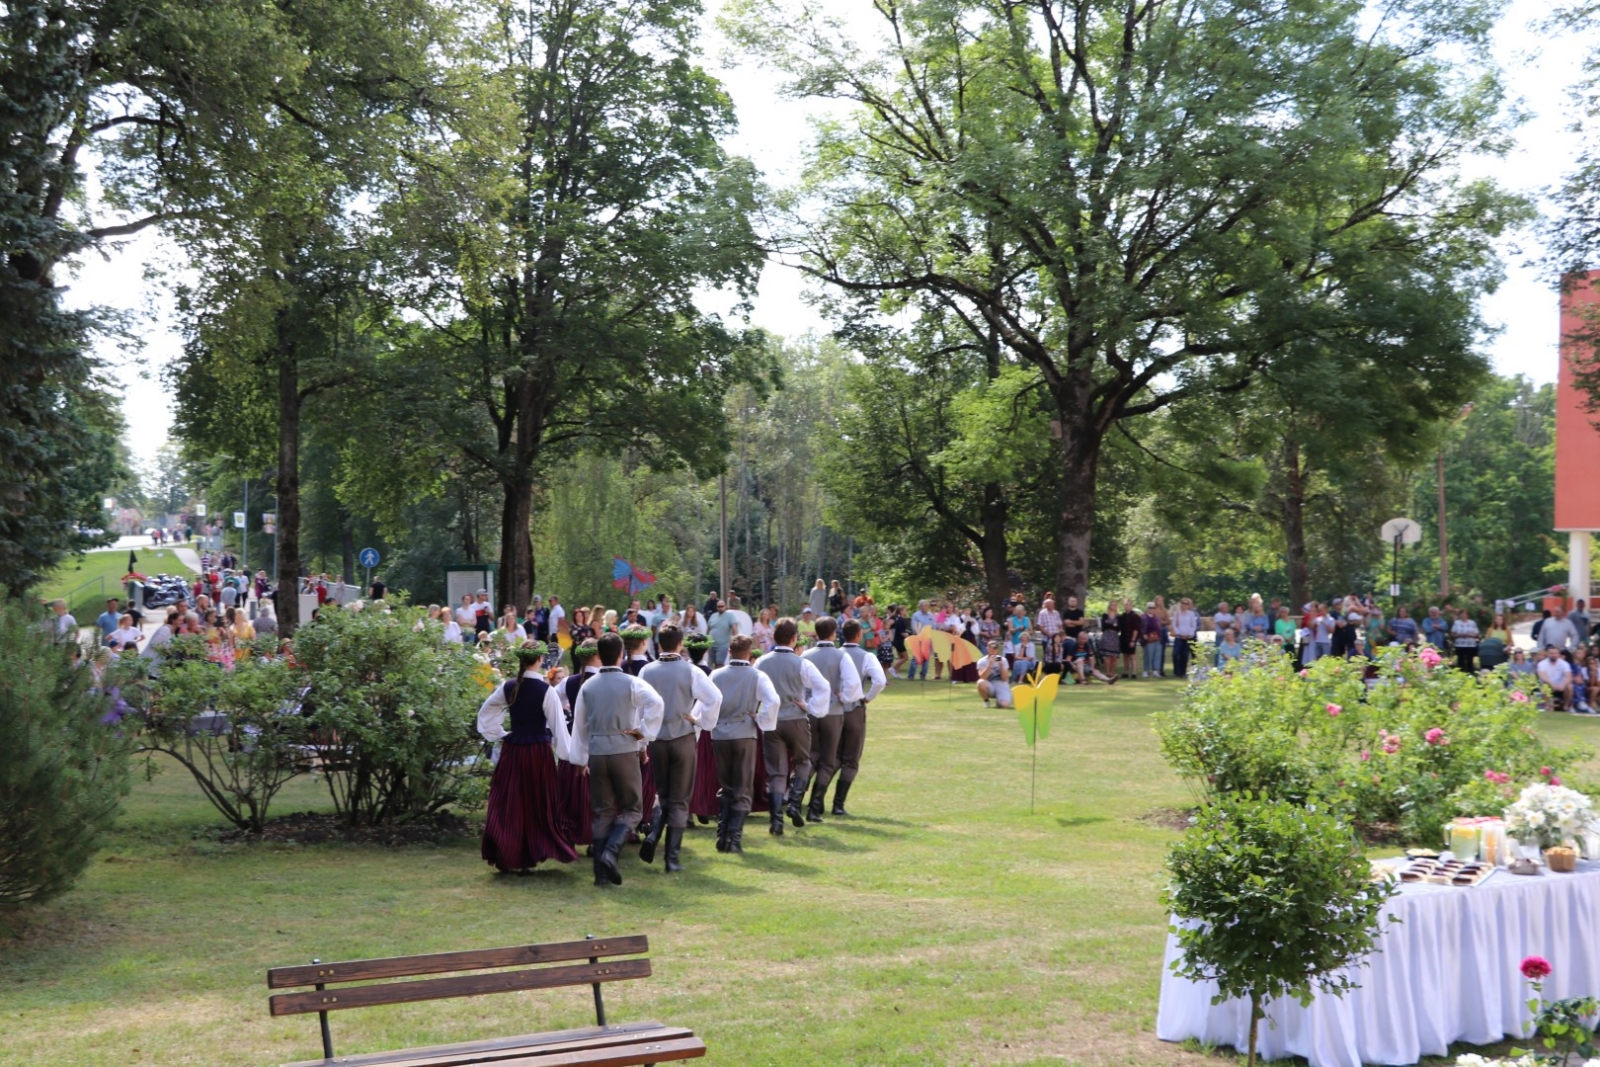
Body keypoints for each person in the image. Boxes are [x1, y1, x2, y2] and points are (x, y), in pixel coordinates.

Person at [570, 633, 665, 886]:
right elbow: (656, 703)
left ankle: (600, 874)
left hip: (598, 753)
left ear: (599, 655)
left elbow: (579, 727)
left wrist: (580, 759)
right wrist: (642, 734)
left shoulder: (587, 686)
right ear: (621, 654)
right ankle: (611, 852)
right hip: (623, 749)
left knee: (602, 812)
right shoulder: (631, 682)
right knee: (633, 808)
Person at [477, 645, 577, 873]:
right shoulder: (545, 691)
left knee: (510, 803)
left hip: (514, 751)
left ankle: (507, 853)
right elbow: (559, 729)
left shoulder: (509, 686)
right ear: (540, 659)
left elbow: (486, 714)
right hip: (537, 755)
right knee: (534, 804)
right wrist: (570, 757)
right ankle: (525, 856)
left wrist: (501, 734)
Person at [637, 624, 723, 872]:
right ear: (680, 644)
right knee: (680, 800)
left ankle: (653, 836)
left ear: (658, 643)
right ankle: (671, 859)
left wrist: (643, 741)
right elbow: (714, 698)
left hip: (657, 740)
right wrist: (703, 722)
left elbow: (639, 709)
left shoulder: (646, 670)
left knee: (663, 794)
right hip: (682, 738)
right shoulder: (690, 670)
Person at [755, 617, 831, 835]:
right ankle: (795, 803)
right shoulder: (802, 662)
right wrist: (811, 707)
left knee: (776, 773)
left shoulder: (762, 661)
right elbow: (823, 687)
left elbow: (755, 686)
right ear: (794, 638)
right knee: (803, 762)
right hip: (796, 718)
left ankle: (776, 822)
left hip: (772, 721)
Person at [709, 635, 779, 853]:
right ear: (750, 654)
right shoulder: (757, 675)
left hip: (719, 734)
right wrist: (761, 719)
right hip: (744, 734)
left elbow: (707, 701)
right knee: (743, 788)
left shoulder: (716, 674)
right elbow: (773, 700)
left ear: (730, 652)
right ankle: (734, 839)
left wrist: (710, 722)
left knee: (726, 785)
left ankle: (722, 834)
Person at [799, 617, 865, 822]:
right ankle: (814, 807)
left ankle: (794, 800)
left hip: (810, 711)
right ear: (834, 633)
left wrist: (805, 702)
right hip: (833, 712)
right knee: (827, 762)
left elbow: (799, 684)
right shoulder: (840, 655)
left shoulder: (805, 655)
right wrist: (843, 698)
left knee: (810, 758)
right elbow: (854, 686)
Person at [831, 618, 885, 816]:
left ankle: (814, 801)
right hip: (854, 709)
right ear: (859, 635)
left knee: (832, 757)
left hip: (832, 709)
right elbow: (880, 681)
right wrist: (867, 698)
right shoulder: (866, 656)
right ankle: (838, 804)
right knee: (851, 759)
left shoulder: (834, 654)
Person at [1536, 645, 1574, 712]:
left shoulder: (1564, 664)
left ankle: (1566, 707)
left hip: (1561, 685)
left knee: (1570, 687)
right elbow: (1542, 676)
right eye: (1551, 653)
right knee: (1545, 686)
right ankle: (1548, 706)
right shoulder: (1542, 664)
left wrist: (1563, 685)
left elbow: (1569, 676)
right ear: (1547, 654)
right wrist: (1551, 684)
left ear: (1559, 654)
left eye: (1555, 653)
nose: (1554, 655)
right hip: (1549, 684)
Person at [1171, 598, 1200, 680]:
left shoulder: (1191, 614)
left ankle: (1183, 672)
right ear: (1181, 604)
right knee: (1175, 654)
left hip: (1188, 637)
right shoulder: (1177, 614)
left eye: (1187, 604)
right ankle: (1177, 672)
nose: (1185, 605)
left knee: (1185, 655)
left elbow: (1193, 625)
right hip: (1179, 637)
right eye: (1183, 603)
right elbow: (1174, 625)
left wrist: (1189, 634)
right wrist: (1179, 633)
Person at [706, 600, 736, 668]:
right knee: (711, 664)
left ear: (725, 607)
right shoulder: (713, 616)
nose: (720, 608)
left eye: (722, 606)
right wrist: (705, 639)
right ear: (716, 607)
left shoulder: (730, 616)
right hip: (711, 644)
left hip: (723, 645)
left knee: (720, 663)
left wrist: (735, 640)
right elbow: (708, 628)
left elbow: (734, 628)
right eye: (718, 606)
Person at [1449, 608, 1480, 672]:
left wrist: (1470, 635)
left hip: (1470, 645)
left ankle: (1470, 674)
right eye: (1462, 614)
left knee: (1470, 661)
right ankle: (1461, 675)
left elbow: (1477, 634)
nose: (1463, 615)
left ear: (1467, 615)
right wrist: (1460, 635)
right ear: (1460, 615)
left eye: (1465, 614)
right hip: (1460, 645)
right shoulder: (1456, 623)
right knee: (1460, 661)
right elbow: (1452, 634)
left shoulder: (1472, 623)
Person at [1118, 599, 1142, 679]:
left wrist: (1133, 640)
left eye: (1128, 604)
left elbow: (1136, 629)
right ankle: (1126, 672)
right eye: (1125, 604)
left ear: (1131, 606)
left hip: (1131, 638)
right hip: (1123, 638)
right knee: (1125, 656)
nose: (1126, 606)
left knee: (1132, 656)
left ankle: (1134, 673)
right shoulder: (1122, 616)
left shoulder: (1135, 616)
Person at [1140, 602, 1162, 678]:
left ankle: (1155, 671)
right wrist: (1143, 635)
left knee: (1157, 655)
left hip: (1157, 638)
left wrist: (1159, 636)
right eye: (1150, 607)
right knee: (1148, 655)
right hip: (1148, 639)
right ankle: (1146, 671)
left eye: (1153, 608)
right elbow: (1140, 628)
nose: (1152, 609)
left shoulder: (1157, 618)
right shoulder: (1143, 617)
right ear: (1147, 608)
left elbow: (1159, 628)